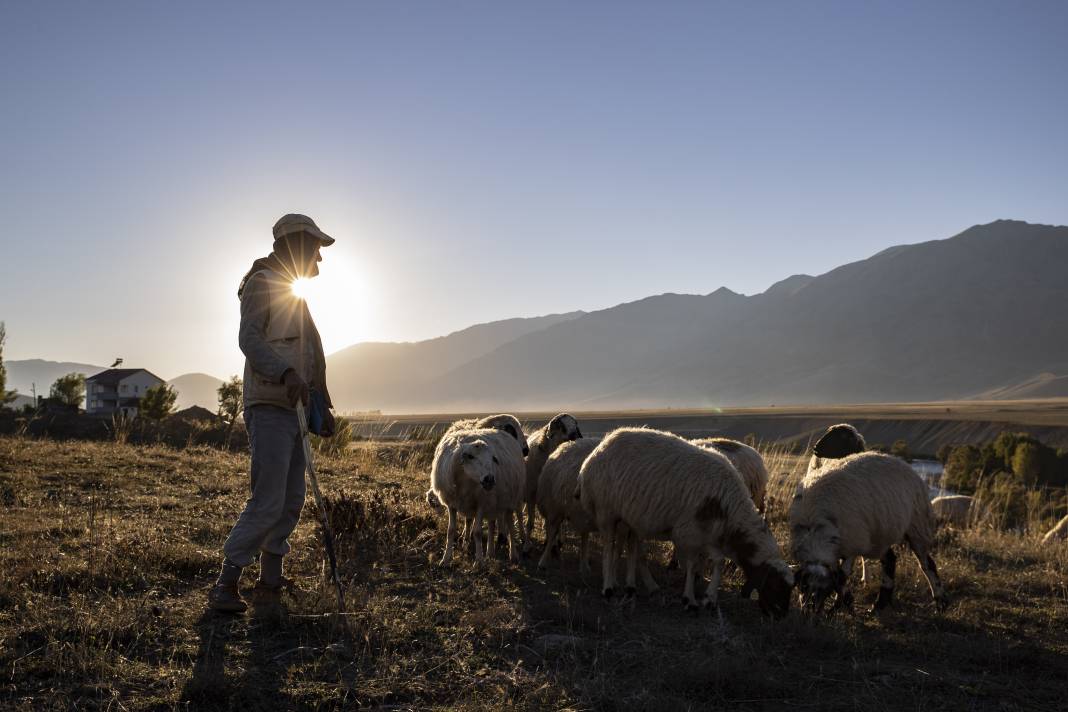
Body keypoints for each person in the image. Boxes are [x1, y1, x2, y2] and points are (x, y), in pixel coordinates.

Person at [208, 213, 337, 613]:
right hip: (268, 406)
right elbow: (249, 339)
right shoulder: (262, 284)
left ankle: (269, 581)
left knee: (292, 497)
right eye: (315, 248)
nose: (320, 258)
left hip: (295, 408)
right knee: (267, 500)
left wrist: (322, 402)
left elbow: (308, 353)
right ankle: (226, 584)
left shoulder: (293, 291)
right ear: (295, 244)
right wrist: (285, 373)